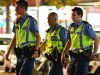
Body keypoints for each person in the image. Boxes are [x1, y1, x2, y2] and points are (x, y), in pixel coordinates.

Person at [61, 7, 99, 75]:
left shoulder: (86, 26)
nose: (72, 16)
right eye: (72, 15)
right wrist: (63, 53)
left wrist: (94, 53)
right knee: (70, 72)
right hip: (73, 55)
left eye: (74, 15)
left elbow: (96, 39)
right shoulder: (71, 26)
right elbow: (69, 41)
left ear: (80, 16)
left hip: (83, 56)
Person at [6, 1, 41, 75]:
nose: (15, 9)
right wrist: (9, 50)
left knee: (23, 73)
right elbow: (15, 37)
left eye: (17, 8)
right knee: (18, 73)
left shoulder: (31, 21)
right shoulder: (17, 21)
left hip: (30, 52)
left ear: (23, 8)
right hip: (20, 53)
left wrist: (36, 51)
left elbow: (38, 37)